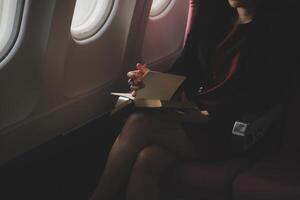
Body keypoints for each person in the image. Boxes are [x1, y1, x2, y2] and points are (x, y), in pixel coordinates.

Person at [90, 0, 296, 199]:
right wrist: (149, 83)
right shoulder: (212, 14)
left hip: (235, 128)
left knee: (139, 124)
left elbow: (263, 97)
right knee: (147, 160)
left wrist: (206, 116)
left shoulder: (280, 30)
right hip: (195, 115)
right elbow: (186, 68)